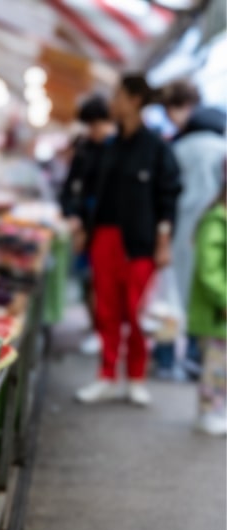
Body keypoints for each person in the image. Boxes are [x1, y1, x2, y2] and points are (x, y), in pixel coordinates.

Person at [75, 74, 182, 406]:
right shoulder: (108, 147)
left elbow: (168, 198)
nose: (113, 102)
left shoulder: (157, 148)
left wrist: (163, 242)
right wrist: (83, 227)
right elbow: (89, 191)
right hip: (104, 237)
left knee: (137, 313)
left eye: (118, 96)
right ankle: (106, 375)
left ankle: (136, 377)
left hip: (141, 243)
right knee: (106, 310)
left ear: (134, 100)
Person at [156, 80, 227, 380]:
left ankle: (166, 360)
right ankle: (199, 360)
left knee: (169, 299)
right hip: (211, 229)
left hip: (177, 233)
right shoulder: (221, 148)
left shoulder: (177, 148)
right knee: (202, 297)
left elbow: (165, 193)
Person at [60, 95, 115, 356]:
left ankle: (103, 331)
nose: (94, 131)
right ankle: (97, 327)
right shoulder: (85, 150)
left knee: (100, 283)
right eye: (90, 125)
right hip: (85, 225)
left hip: (105, 228)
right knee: (88, 282)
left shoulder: (116, 149)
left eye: (97, 124)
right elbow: (70, 188)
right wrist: (74, 217)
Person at [189, 182, 226, 436]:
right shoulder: (215, 222)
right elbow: (208, 270)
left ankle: (216, 410)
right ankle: (208, 411)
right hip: (216, 311)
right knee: (216, 366)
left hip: (219, 309)